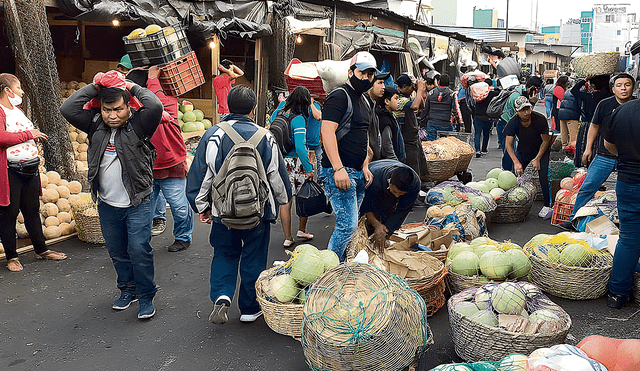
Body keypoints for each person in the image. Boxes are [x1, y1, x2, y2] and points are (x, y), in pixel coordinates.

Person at [60, 70, 163, 319]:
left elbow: (155, 104)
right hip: (107, 203)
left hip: (137, 201)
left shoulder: (139, 125)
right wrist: (96, 86)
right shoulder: (95, 124)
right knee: (117, 252)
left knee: (138, 250)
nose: (112, 115)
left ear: (128, 106)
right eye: (107, 110)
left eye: (117, 109)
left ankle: (147, 295)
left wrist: (128, 85)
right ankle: (128, 290)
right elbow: (68, 108)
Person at [186, 85, 291, 324]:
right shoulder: (266, 136)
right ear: (253, 109)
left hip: (224, 214)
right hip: (258, 213)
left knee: (225, 253)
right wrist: (282, 202)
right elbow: (277, 178)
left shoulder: (213, 135)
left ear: (228, 106)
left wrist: (201, 207)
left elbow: (202, 176)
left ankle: (222, 296)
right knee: (254, 258)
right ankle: (249, 309)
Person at [0, 73, 67, 272]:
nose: (21, 91)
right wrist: (30, 134)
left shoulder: (18, 111)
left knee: (31, 211)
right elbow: (2, 137)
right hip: (11, 171)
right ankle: (11, 257)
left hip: (30, 169)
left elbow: (18, 135)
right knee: (9, 214)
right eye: (18, 87)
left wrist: (33, 138)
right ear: (7, 91)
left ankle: (41, 249)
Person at [126, 67, 194, 252]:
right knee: (144, 210)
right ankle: (142, 240)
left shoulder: (167, 103)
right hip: (147, 167)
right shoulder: (131, 108)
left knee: (179, 206)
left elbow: (157, 105)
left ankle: (183, 237)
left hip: (172, 164)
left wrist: (153, 79)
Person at [558, 73, 636, 231]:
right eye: (619, 85)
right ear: (613, 88)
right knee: (588, 186)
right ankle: (573, 219)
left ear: (633, 88)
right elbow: (594, 126)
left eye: (627, 85)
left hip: (630, 158)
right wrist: (588, 148)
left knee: (629, 190)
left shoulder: (636, 105)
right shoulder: (604, 104)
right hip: (605, 154)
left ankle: (628, 224)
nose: (623, 88)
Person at [319, 51, 376, 261]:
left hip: (357, 172)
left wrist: (365, 165)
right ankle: (329, 272)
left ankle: (342, 266)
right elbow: (327, 132)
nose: (367, 78)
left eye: (371, 75)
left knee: (350, 227)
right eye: (363, 73)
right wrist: (338, 168)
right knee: (347, 225)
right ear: (351, 72)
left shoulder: (365, 100)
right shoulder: (339, 96)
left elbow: (362, 134)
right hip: (340, 172)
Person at [602, 97, 640, 309]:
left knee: (629, 240)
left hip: (628, 181)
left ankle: (617, 294)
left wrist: (628, 157)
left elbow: (608, 144)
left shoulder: (622, 111)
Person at [270, 86, 315, 247]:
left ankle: (288, 237)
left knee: (285, 200)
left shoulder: (278, 113)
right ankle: (301, 229)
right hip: (295, 162)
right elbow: (300, 146)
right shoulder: (299, 119)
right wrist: (309, 168)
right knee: (304, 196)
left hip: (279, 160)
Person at [503, 96, 553, 219]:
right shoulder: (513, 123)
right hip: (523, 149)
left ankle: (547, 204)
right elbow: (508, 145)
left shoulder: (540, 119)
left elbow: (546, 141)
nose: (526, 113)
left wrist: (537, 159)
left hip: (541, 149)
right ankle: (517, 203)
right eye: (522, 110)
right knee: (518, 177)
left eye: (528, 109)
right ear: (517, 111)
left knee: (544, 176)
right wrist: (516, 162)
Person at [360, 160, 420, 250]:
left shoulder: (414, 185)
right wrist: (377, 225)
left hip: (391, 184)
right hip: (373, 177)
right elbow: (366, 207)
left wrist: (387, 230)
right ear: (389, 183)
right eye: (395, 191)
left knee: (388, 218)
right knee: (370, 218)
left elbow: (402, 211)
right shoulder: (373, 179)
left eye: (401, 193)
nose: (397, 195)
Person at [500, 76, 543, 170]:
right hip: (507, 121)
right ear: (532, 88)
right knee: (510, 148)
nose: (537, 93)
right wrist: (532, 103)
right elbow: (522, 115)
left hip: (512, 121)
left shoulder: (523, 93)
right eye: (536, 90)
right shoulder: (517, 97)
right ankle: (508, 170)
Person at [395, 74, 429, 185]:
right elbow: (414, 106)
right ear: (404, 87)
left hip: (413, 138)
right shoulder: (399, 99)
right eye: (410, 87)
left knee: (418, 165)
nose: (411, 89)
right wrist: (419, 90)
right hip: (406, 140)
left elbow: (420, 106)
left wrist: (418, 91)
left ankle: (417, 187)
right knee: (412, 167)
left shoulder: (407, 97)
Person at [571, 75, 612, 168]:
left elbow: (574, 91)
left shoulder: (590, 96)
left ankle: (584, 163)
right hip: (604, 126)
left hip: (588, 125)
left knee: (585, 145)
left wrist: (585, 79)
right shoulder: (610, 96)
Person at [421, 74, 456, 141]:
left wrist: (422, 122)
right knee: (445, 144)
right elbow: (454, 109)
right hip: (446, 123)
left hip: (432, 122)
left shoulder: (431, 93)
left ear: (438, 82)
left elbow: (425, 109)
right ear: (449, 83)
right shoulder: (452, 94)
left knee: (431, 145)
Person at [375, 86, 406, 162]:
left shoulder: (391, 115)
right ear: (387, 101)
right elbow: (387, 148)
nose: (398, 101)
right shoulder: (384, 120)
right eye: (396, 98)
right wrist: (396, 163)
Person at [471, 79, 499, 156]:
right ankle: (484, 149)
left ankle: (477, 150)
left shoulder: (477, 92)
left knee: (477, 133)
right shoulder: (491, 93)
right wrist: (494, 88)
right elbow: (499, 92)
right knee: (486, 133)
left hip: (477, 115)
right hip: (487, 116)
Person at [366, 71, 389, 161]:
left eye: (383, 83)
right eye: (379, 83)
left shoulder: (373, 104)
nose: (383, 87)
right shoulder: (364, 104)